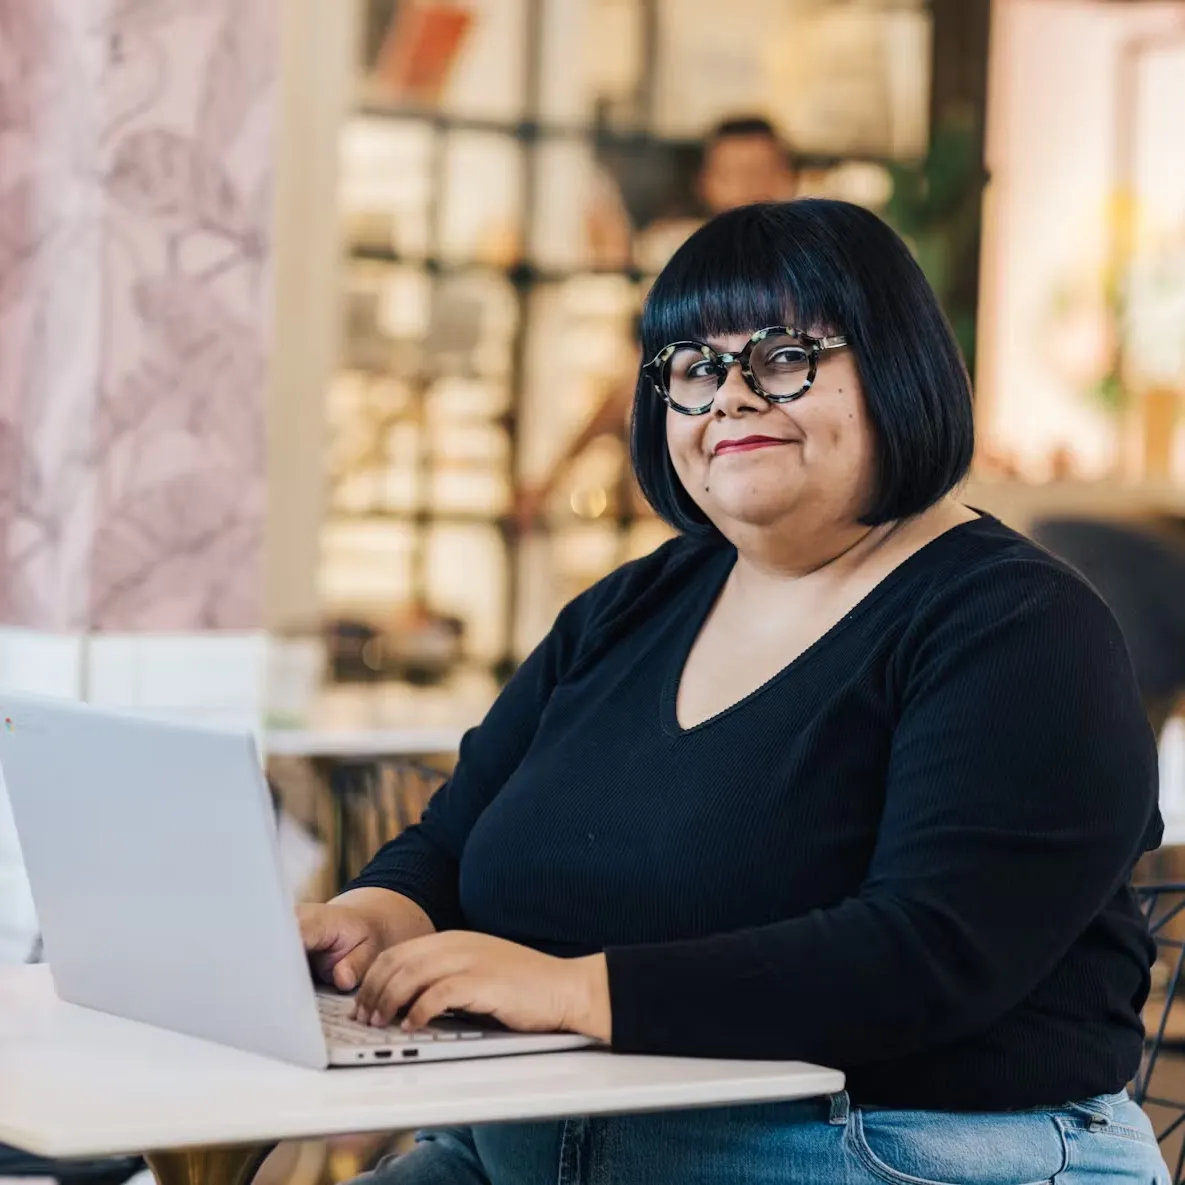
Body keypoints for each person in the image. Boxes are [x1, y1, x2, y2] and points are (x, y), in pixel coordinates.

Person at [301, 200, 1168, 1184]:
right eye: (696, 370)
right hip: (532, 1143)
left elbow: (929, 953)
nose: (731, 400)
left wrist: (578, 991)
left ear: (898, 367)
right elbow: (458, 838)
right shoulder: (632, 606)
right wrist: (379, 913)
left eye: (786, 356)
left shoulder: (1018, 626)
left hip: (883, 1153)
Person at [515, 116, 798, 531]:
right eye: (734, 176)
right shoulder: (685, 282)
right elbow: (637, 376)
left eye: (760, 174)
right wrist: (555, 477)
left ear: (789, 179)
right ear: (708, 184)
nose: (749, 191)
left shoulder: (819, 281)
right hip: (718, 496)